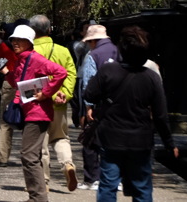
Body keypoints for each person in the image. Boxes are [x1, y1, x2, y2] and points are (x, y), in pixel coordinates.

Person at [84, 25, 178, 202]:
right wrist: (169, 143)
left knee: (108, 186)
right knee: (141, 187)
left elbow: (89, 94)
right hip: (140, 141)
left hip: (111, 138)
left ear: (122, 49)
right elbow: (160, 115)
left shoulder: (108, 71)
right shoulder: (151, 77)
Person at [0, 24, 68, 202]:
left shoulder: (35, 59)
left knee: (29, 156)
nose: (15, 43)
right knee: (31, 155)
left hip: (38, 113)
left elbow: (61, 72)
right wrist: (6, 72)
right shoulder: (22, 59)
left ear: (29, 42)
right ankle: (36, 196)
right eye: (13, 40)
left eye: (20, 40)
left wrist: (46, 93)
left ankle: (38, 198)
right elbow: (19, 83)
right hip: (30, 111)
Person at [28, 14, 78, 192]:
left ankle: (44, 182)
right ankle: (68, 165)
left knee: (42, 144)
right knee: (61, 137)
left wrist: (51, 93)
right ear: (49, 30)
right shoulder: (63, 50)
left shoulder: (31, 52)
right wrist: (64, 93)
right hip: (60, 105)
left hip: (39, 105)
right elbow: (71, 74)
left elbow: (31, 79)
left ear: (32, 31)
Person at [78, 24, 119, 190]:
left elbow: (89, 82)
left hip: (99, 104)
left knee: (91, 140)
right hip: (119, 103)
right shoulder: (120, 51)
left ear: (94, 40)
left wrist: (88, 106)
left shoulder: (93, 55)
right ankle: (116, 179)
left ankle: (92, 178)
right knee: (115, 142)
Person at [0, 19, 26, 166]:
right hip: (27, 82)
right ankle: (31, 157)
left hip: (9, 80)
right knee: (30, 120)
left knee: (5, 121)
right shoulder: (29, 45)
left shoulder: (4, 46)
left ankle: (2, 158)